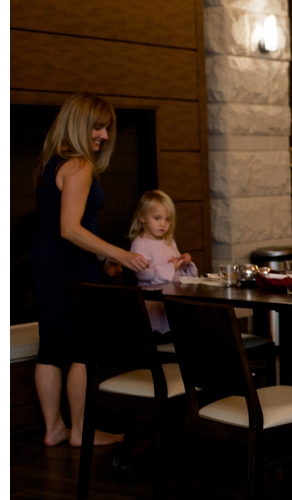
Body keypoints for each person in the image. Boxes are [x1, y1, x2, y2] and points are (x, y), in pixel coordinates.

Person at [29, 93, 152, 448]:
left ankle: (55, 429)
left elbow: (61, 226)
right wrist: (122, 255)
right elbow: (70, 228)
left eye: (107, 128)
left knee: (51, 346)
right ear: (79, 125)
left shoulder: (51, 163)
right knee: (85, 348)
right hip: (68, 264)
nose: (104, 135)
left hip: (46, 262)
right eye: (98, 127)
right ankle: (81, 431)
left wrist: (102, 259)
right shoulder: (80, 165)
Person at [127, 190, 198, 333]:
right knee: (160, 333)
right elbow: (142, 274)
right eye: (157, 218)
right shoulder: (141, 243)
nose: (163, 224)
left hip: (173, 298)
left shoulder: (169, 241)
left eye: (167, 219)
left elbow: (176, 270)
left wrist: (183, 263)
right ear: (142, 217)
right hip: (154, 301)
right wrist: (169, 267)